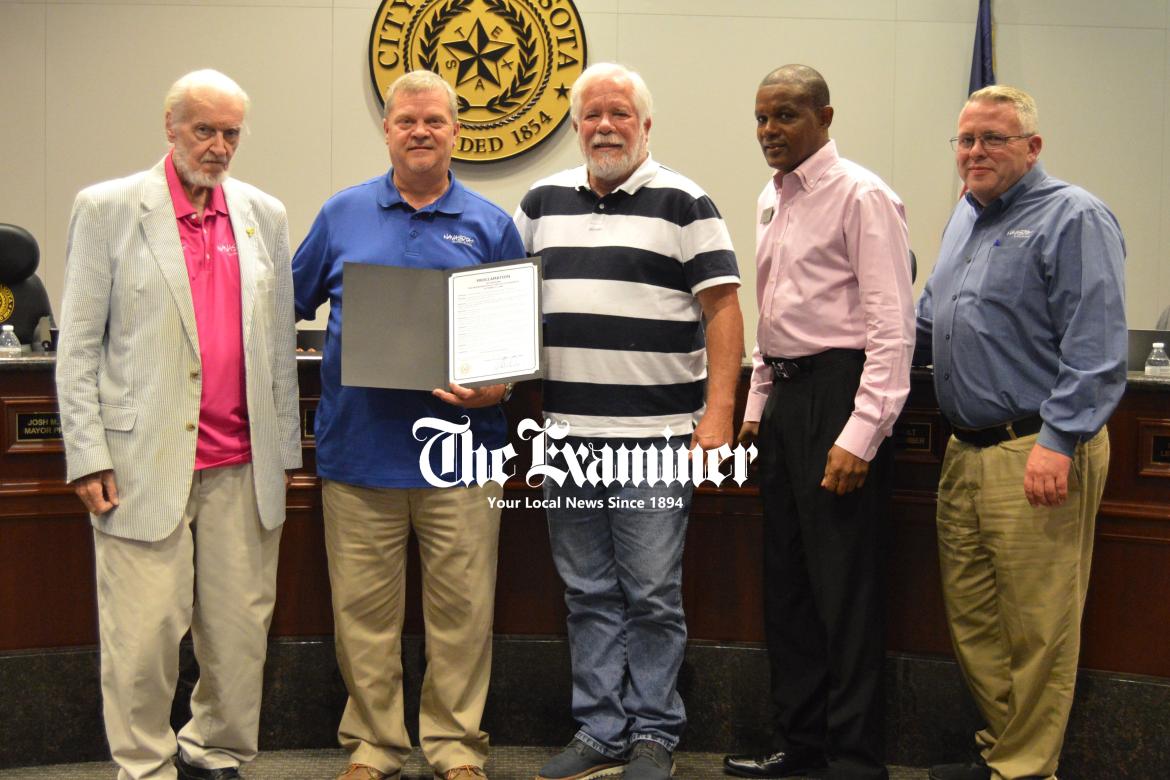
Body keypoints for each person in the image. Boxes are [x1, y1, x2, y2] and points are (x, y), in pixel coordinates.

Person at [55, 69, 301, 780]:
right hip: (140, 467)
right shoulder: (107, 209)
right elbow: (77, 346)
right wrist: (87, 455)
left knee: (237, 634)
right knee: (143, 639)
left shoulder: (264, 214)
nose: (219, 146)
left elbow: (277, 346)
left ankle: (214, 750)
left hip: (242, 464)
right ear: (170, 126)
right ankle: (146, 764)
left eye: (230, 133)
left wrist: (283, 453)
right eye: (205, 130)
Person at [291, 70, 525, 780]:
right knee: (363, 618)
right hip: (359, 455)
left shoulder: (492, 224)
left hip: (462, 458)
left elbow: (514, 347)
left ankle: (456, 748)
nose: (420, 131)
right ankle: (375, 747)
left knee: (462, 615)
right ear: (387, 130)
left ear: (457, 130)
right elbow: (286, 308)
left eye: (434, 121)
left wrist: (498, 386)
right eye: (406, 121)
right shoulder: (341, 214)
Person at [514, 62, 744, 780]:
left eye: (620, 114)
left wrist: (720, 414)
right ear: (576, 125)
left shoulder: (686, 202)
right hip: (566, 441)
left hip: (655, 441)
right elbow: (508, 305)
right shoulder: (539, 200)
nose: (605, 126)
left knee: (649, 593)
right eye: (592, 115)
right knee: (585, 591)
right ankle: (600, 730)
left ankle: (653, 732)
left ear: (646, 126)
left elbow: (724, 311)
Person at [916, 85, 1126, 780]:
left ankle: (1026, 770)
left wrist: (1059, 441)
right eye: (966, 140)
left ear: (1033, 147)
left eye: (993, 139)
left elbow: (1097, 351)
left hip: (1035, 446)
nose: (975, 152)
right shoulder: (963, 219)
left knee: (1040, 627)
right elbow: (928, 319)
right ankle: (1007, 752)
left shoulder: (1074, 217)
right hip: (965, 448)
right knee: (975, 619)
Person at [723, 65, 914, 780]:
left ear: (824, 117)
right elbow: (775, 314)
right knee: (791, 585)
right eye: (762, 117)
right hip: (785, 403)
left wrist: (861, 434)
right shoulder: (772, 199)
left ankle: (855, 758)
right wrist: (756, 405)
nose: (770, 131)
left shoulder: (861, 195)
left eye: (786, 116)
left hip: (841, 398)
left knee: (846, 591)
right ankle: (801, 745)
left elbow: (892, 329)